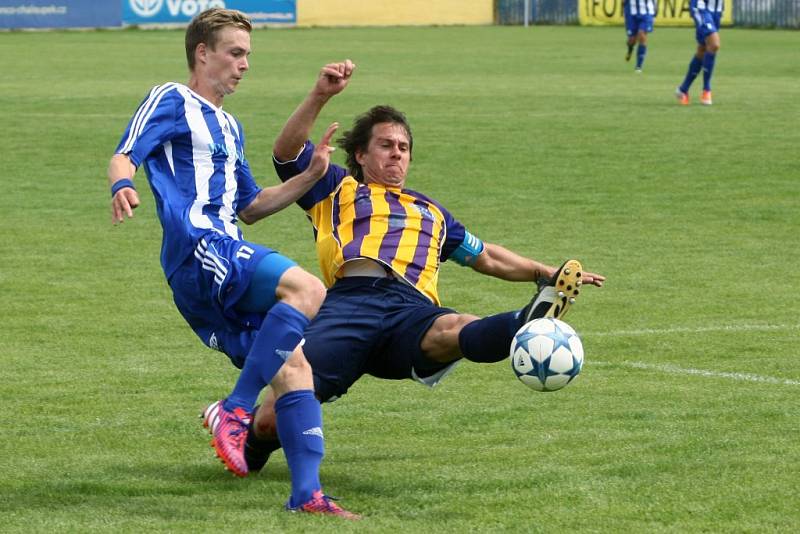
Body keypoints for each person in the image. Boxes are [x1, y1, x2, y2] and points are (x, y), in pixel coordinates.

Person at [241, 61, 606, 471]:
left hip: (410, 311)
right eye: (385, 145)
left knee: (456, 327)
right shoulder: (335, 186)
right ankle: (250, 450)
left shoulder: (433, 213)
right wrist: (321, 95)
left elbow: (486, 256)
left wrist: (547, 273)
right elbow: (286, 152)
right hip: (348, 304)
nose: (397, 152)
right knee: (272, 418)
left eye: (403, 147)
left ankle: (526, 322)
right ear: (360, 154)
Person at [107, 9, 359, 519]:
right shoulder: (172, 99)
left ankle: (306, 494)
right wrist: (123, 184)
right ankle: (237, 408)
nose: (244, 65)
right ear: (203, 53)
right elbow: (124, 154)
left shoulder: (229, 126)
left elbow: (251, 206)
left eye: (248, 55)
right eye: (235, 53)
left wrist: (309, 176)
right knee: (308, 290)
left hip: (217, 256)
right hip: (201, 246)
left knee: (294, 366)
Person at [676, 0, 724, 105]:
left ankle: (683, 89)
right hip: (701, 6)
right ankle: (706, 90)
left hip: (716, 8)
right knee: (714, 44)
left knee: (702, 49)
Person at [623, 0, 656, 73]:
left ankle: (638, 65)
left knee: (642, 34)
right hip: (631, 11)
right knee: (632, 39)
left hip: (647, 11)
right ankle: (630, 49)